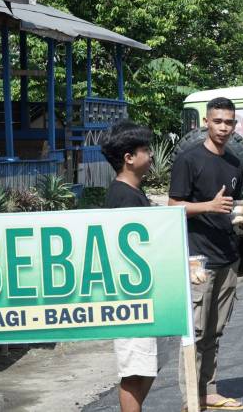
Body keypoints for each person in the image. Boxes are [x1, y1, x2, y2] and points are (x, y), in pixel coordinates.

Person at [169, 97, 243, 411]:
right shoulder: (189, 160)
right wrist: (208, 207)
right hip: (198, 259)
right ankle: (190, 398)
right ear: (206, 121)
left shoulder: (235, 163)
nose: (224, 127)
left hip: (228, 256)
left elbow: (231, 208)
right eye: (218, 121)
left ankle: (209, 391)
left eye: (229, 122)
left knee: (216, 330)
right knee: (196, 332)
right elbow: (173, 208)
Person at [102, 120, 169, 412]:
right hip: (130, 298)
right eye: (145, 150)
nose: (151, 155)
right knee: (134, 370)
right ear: (128, 158)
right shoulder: (124, 197)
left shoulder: (133, 193)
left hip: (142, 296)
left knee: (147, 365)